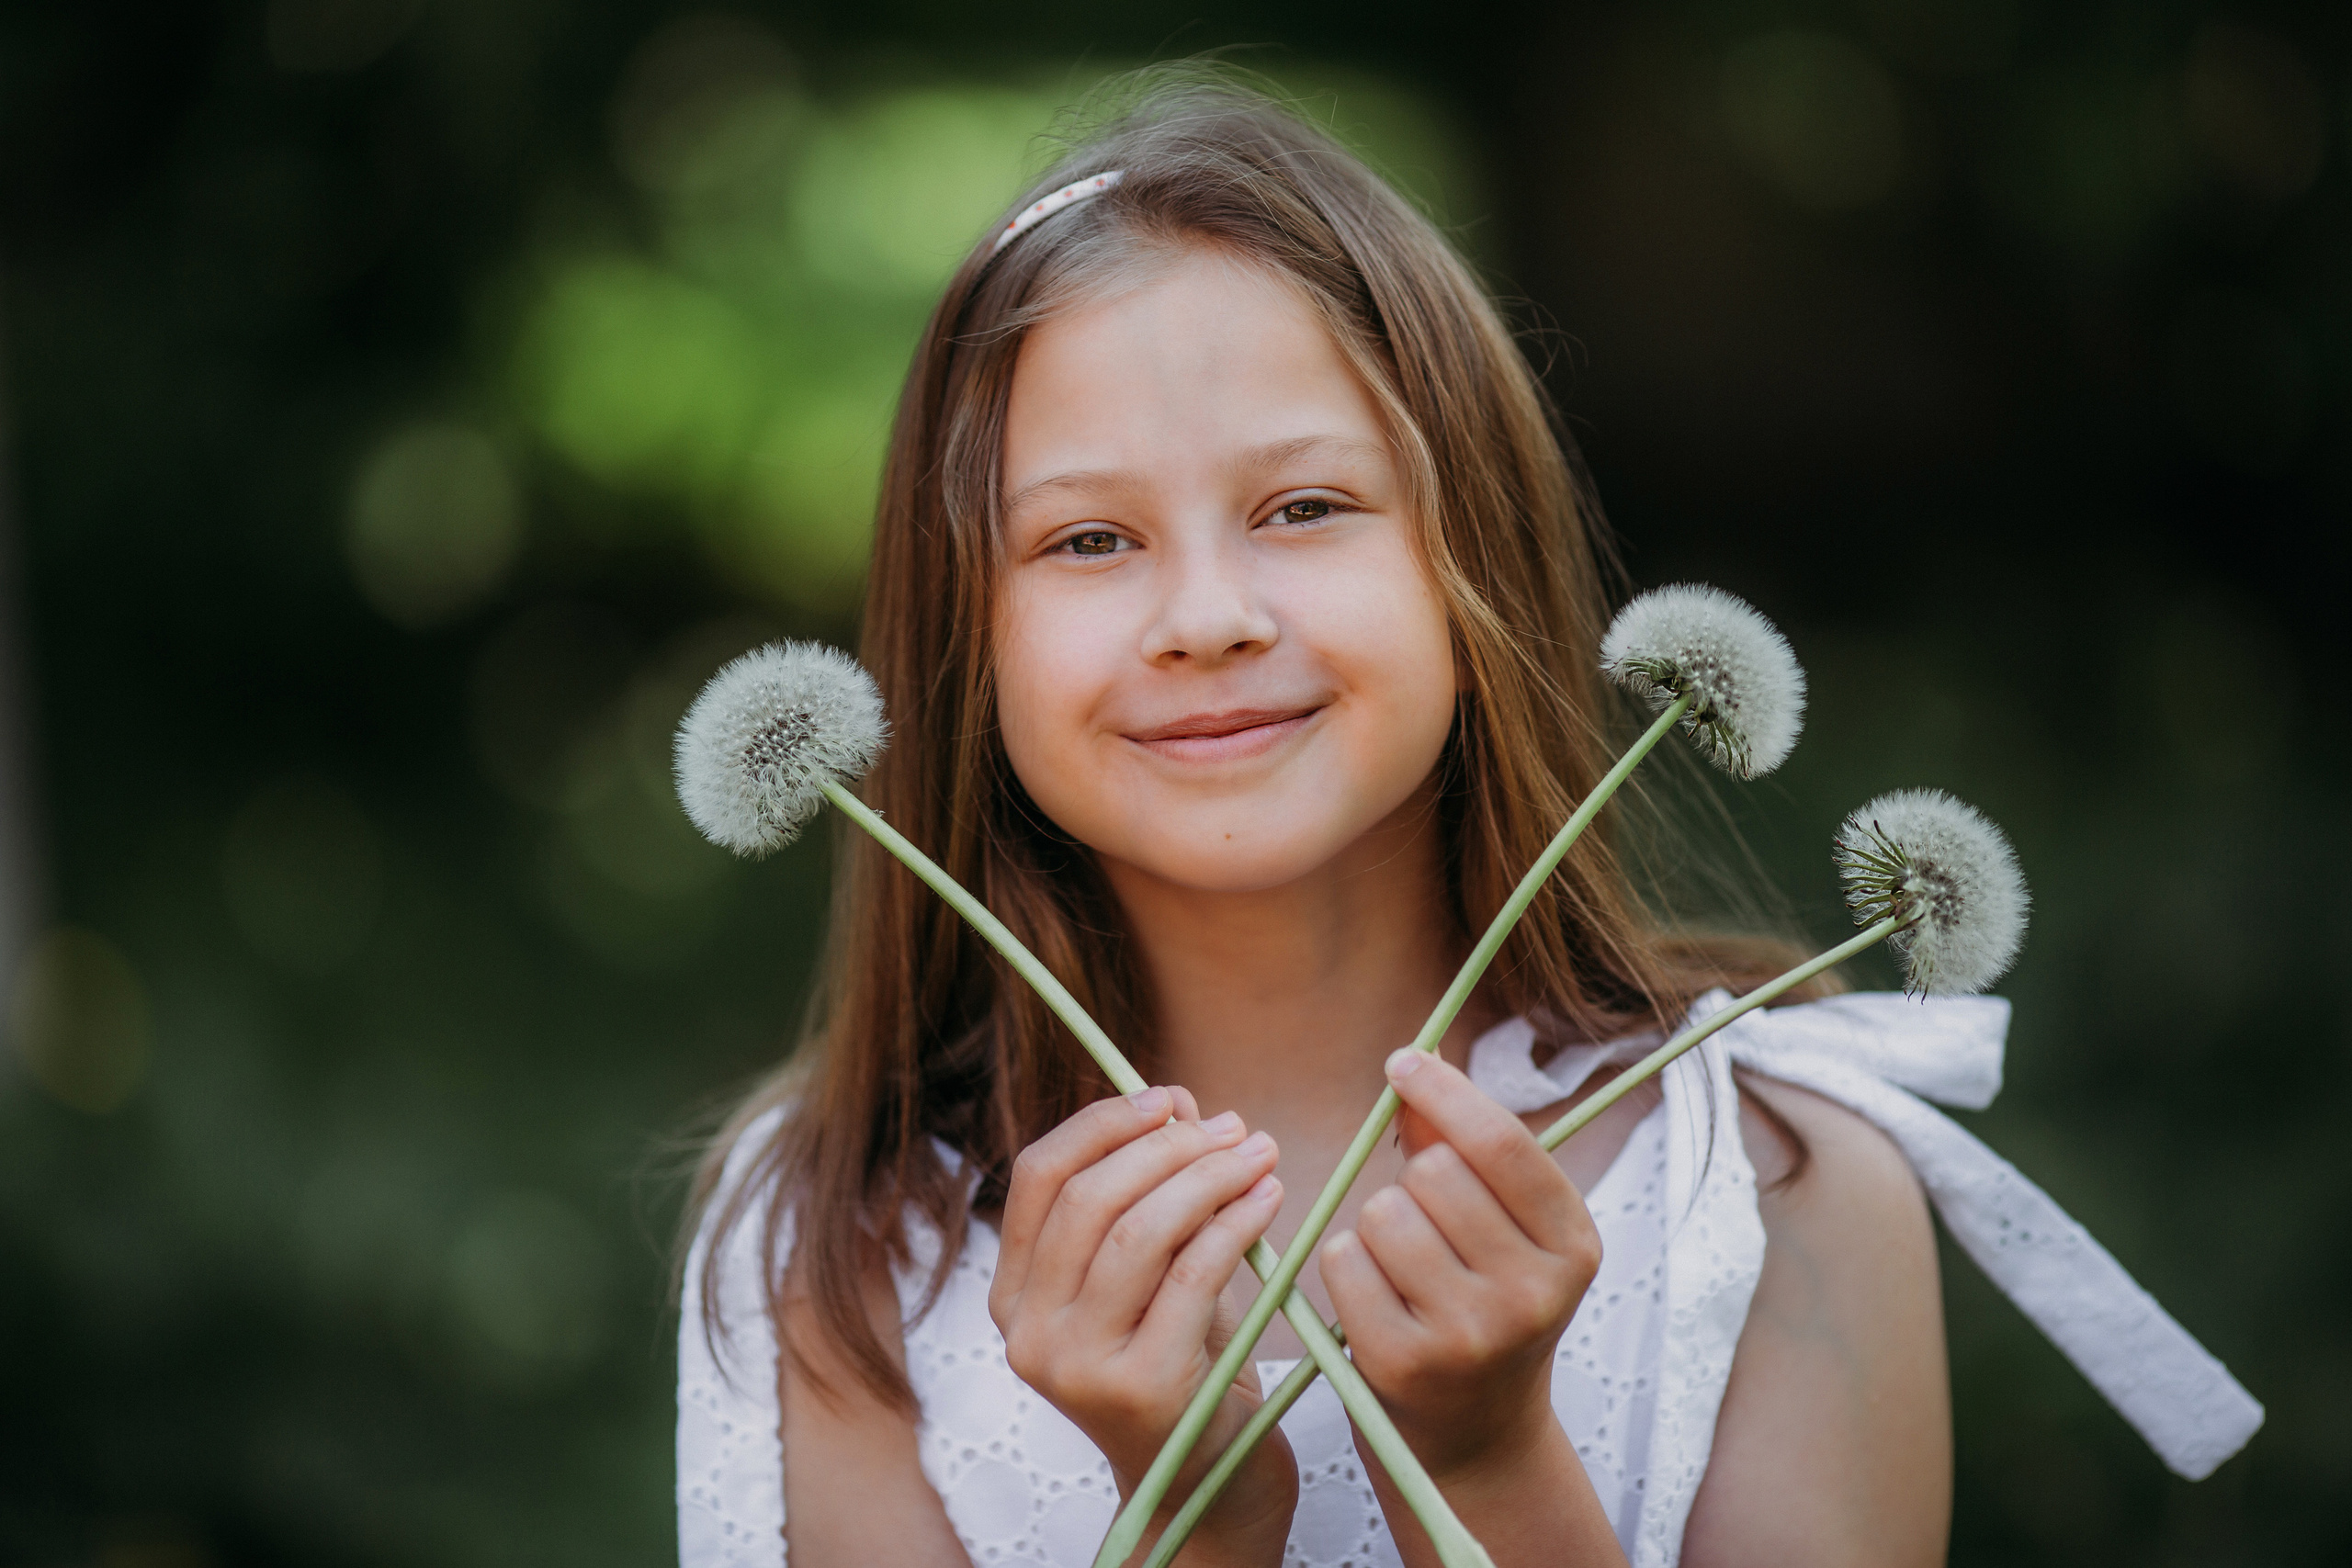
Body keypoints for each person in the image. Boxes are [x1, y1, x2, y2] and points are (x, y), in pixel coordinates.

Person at [674, 75, 2253, 1568]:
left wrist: (1490, 1460)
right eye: (1089, 539)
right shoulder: (833, 1252)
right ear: (967, 635)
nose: (1207, 618)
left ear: (1472, 557)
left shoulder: (1781, 1177)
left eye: (1305, 507)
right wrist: (1199, 1522)